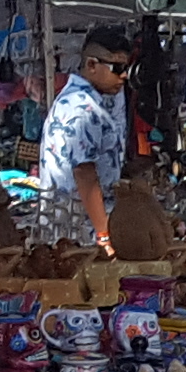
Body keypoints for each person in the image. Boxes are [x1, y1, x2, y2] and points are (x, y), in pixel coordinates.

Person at [41, 27, 137, 250]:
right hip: (81, 234)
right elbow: (84, 173)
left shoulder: (85, 102)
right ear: (92, 65)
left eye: (127, 68)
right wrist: (104, 235)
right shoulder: (82, 108)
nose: (123, 75)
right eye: (117, 68)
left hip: (77, 227)